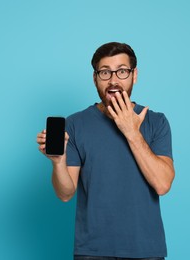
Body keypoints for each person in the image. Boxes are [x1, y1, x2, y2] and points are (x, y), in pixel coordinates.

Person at [36, 42, 175, 260]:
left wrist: (132, 132)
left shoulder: (156, 122)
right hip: (92, 251)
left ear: (134, 75)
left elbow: (163, 184)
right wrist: (58, 161)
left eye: (121, 71)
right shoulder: (74, 124)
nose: (113, 80)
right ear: (95, 78)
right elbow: (65, 194)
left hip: (145, 250)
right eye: (104, 72)